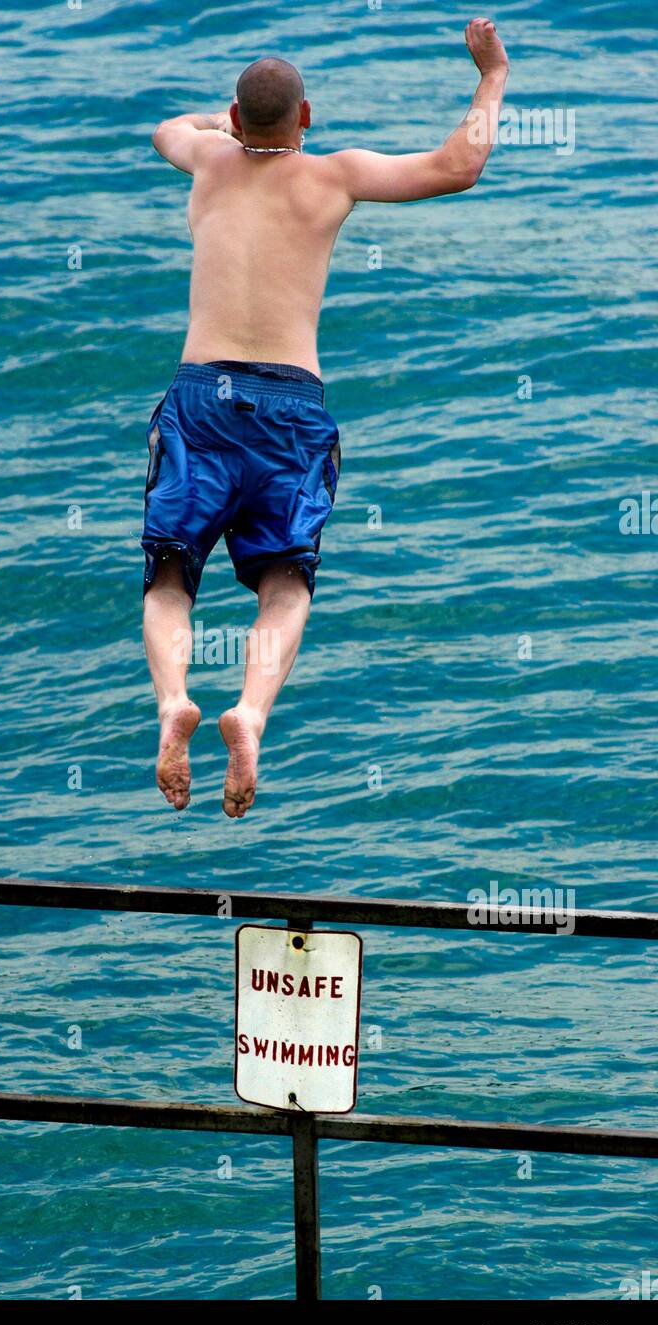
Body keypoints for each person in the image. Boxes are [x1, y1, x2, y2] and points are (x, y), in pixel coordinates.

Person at [143, 18, 510, 817]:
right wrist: (492, 76)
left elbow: (167, 128)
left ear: (236, 122)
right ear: (306, 120)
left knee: (171, 572)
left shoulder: (205, 159)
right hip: (290, 405)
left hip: (201, 395)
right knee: (283, 580)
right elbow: (460, 167)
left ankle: (174, 698)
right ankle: (251, 711)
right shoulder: (333, 174)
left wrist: (226, 124)